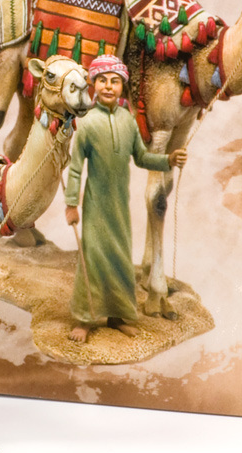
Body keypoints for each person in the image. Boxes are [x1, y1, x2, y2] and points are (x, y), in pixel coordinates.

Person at [64, 55, 187, 342]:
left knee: (120, 258)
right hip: (95, 205)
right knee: (93, 258)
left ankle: (117, 315)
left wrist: (168, 160)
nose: (108, 86)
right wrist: (71, 204)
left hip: (120, 206)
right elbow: (75, 168)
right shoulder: (86, 123)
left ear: (123, 86)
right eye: (102, 80)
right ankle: (84, 318)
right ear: (94, 85)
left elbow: (142, 158)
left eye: (115, 81)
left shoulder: (128, 122)